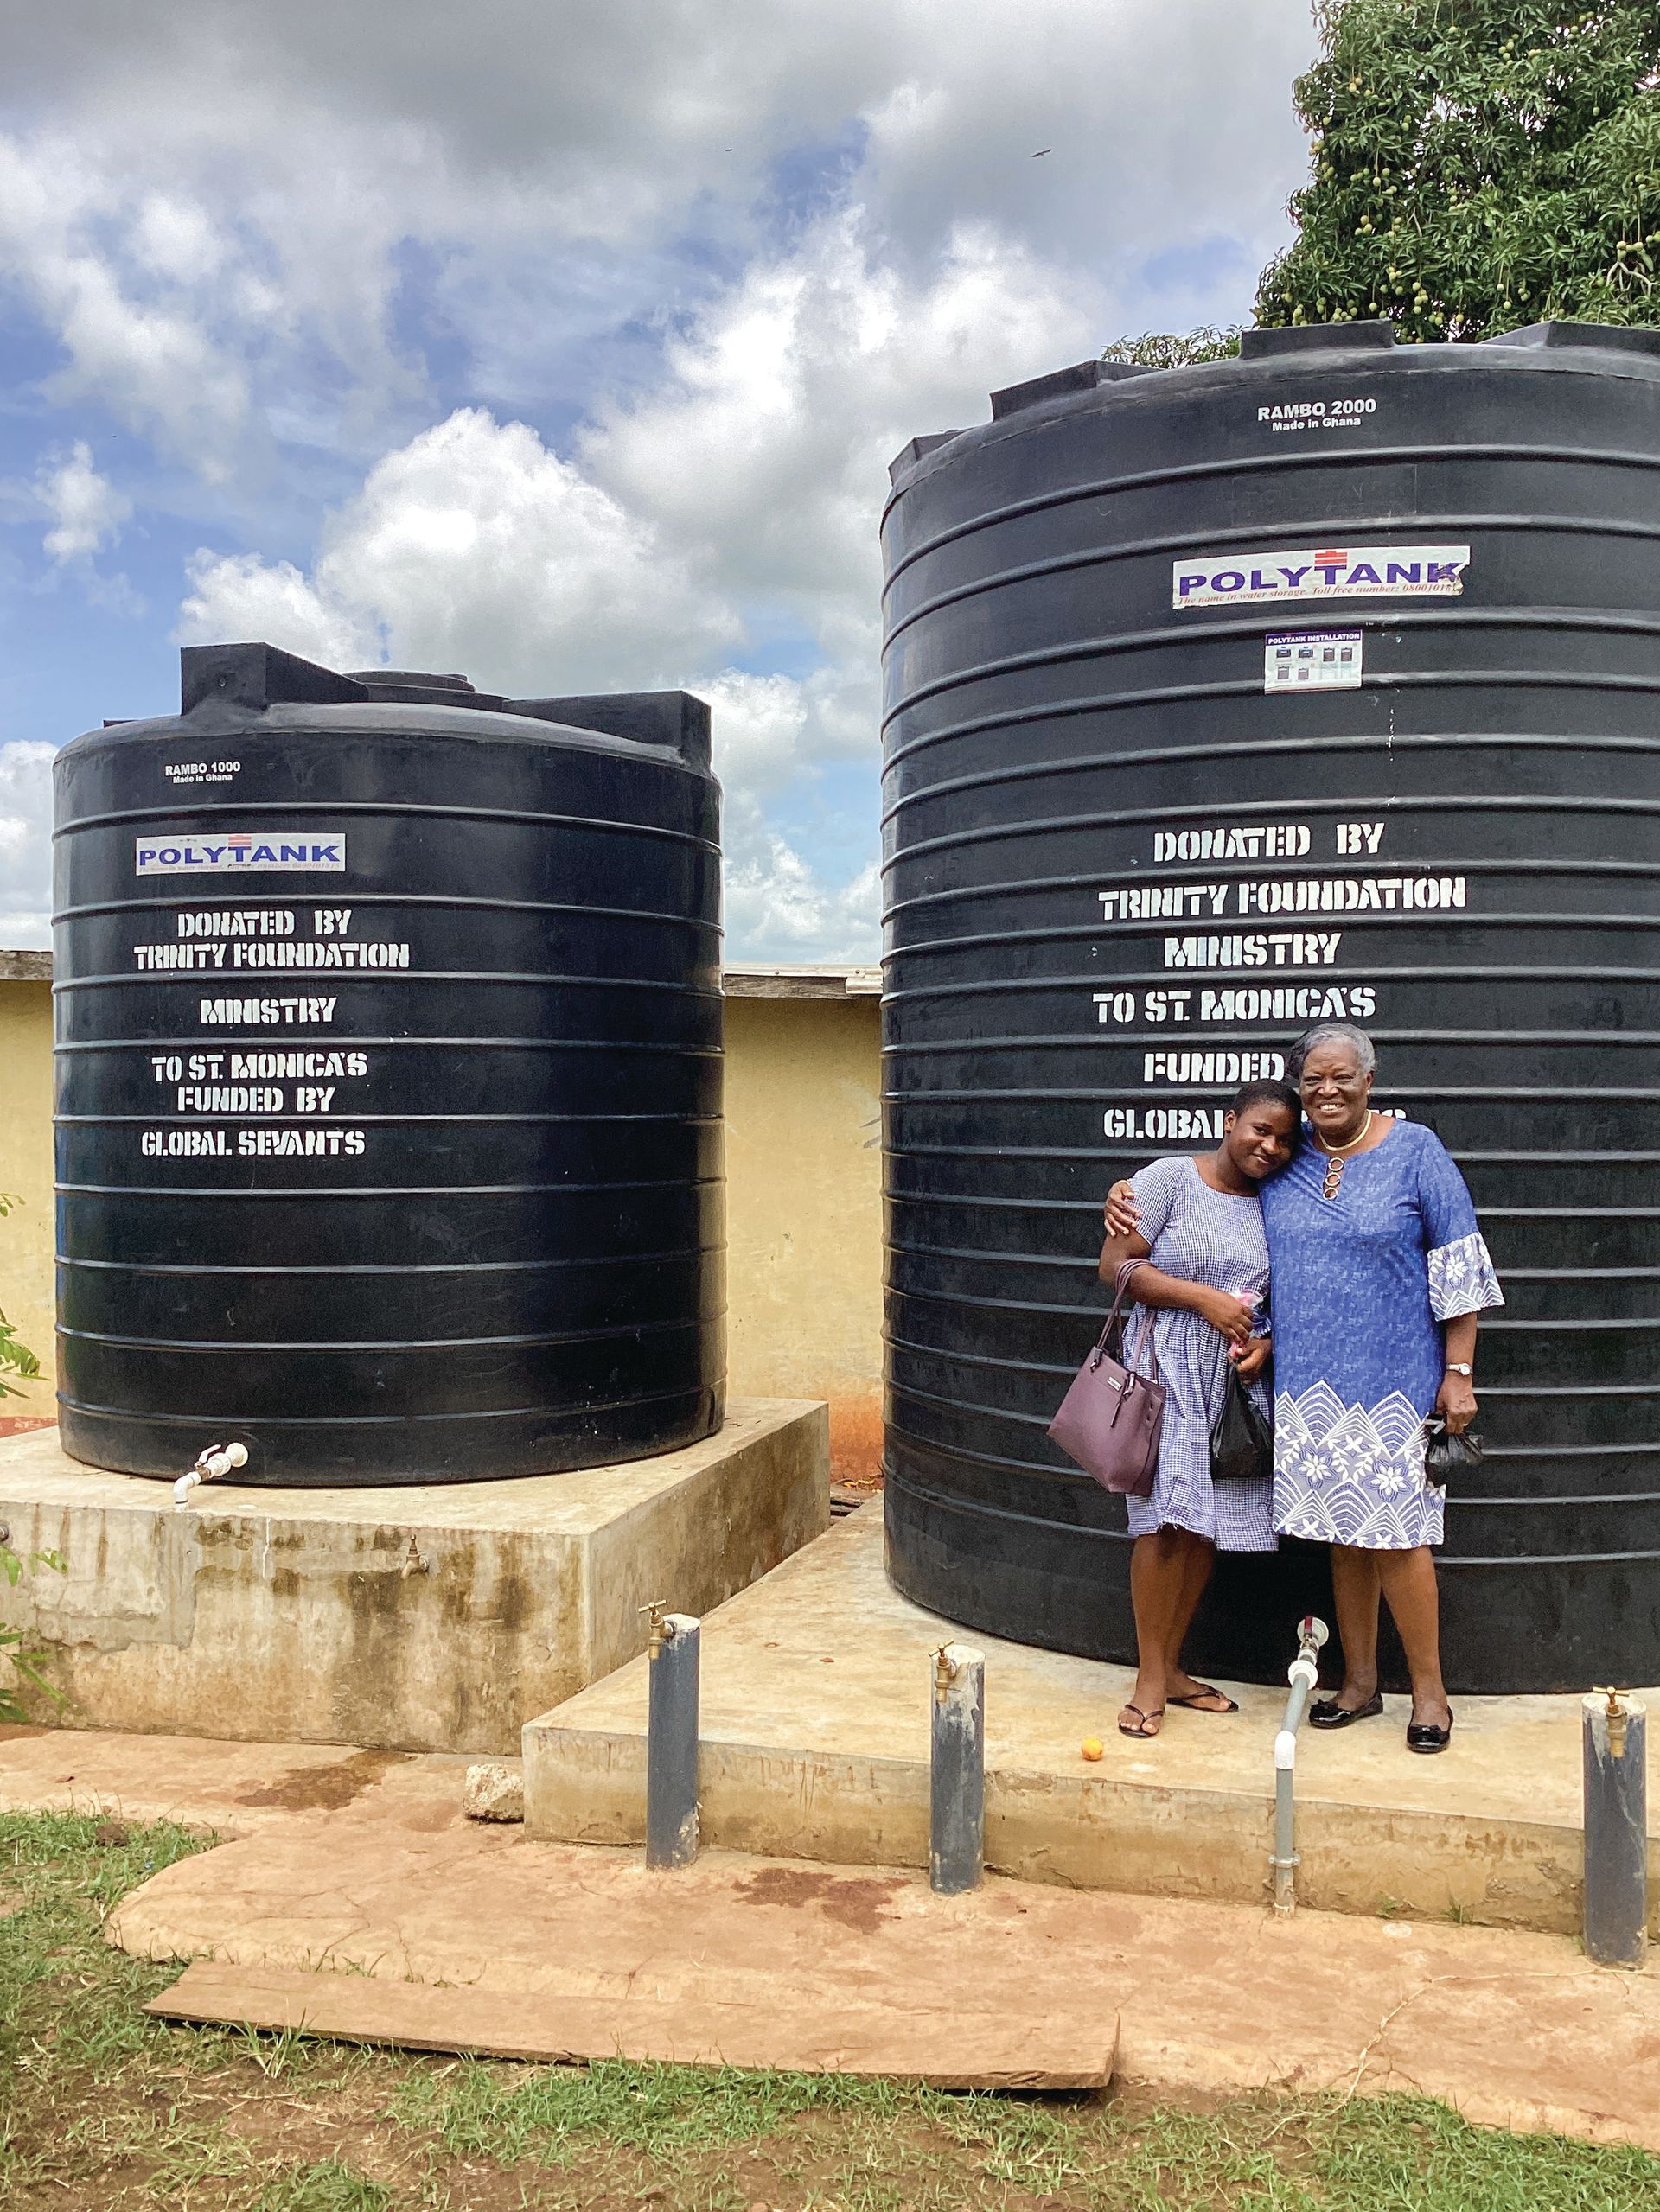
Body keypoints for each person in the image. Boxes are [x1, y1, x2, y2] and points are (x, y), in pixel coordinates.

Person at [1105, 1023, 1502, 1755]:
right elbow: (1216, 1206)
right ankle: (1358, 1684)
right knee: (1343, 1540)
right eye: (1313, 1078)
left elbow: (1459, 1264)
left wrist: (1459, 1370)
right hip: (1306, 1388)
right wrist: (1127, 1191)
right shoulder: (1286, 1163)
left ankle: (1431, 1696)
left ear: (1370, 1079)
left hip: (1397, 1383)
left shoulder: (1418, 1153)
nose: (1327, 1089)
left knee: (1401, 1539)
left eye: (1341, 1076)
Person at [1095, 1079, 1300, 1740]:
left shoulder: (1277, 1200)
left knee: (1202, 1523)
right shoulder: (1168, 1180)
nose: (1269, 1146)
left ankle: (1174, 1666)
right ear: (1230, 1119)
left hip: (1232, 1383)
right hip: (1166, 1369)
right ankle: (1149, 1679)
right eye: (1259, 1129)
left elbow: (1277, 1293)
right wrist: (1204, 1299)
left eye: (1283, 1139)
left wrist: (1265, 1342)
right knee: (1161, 1520)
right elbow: (1115, 1267)